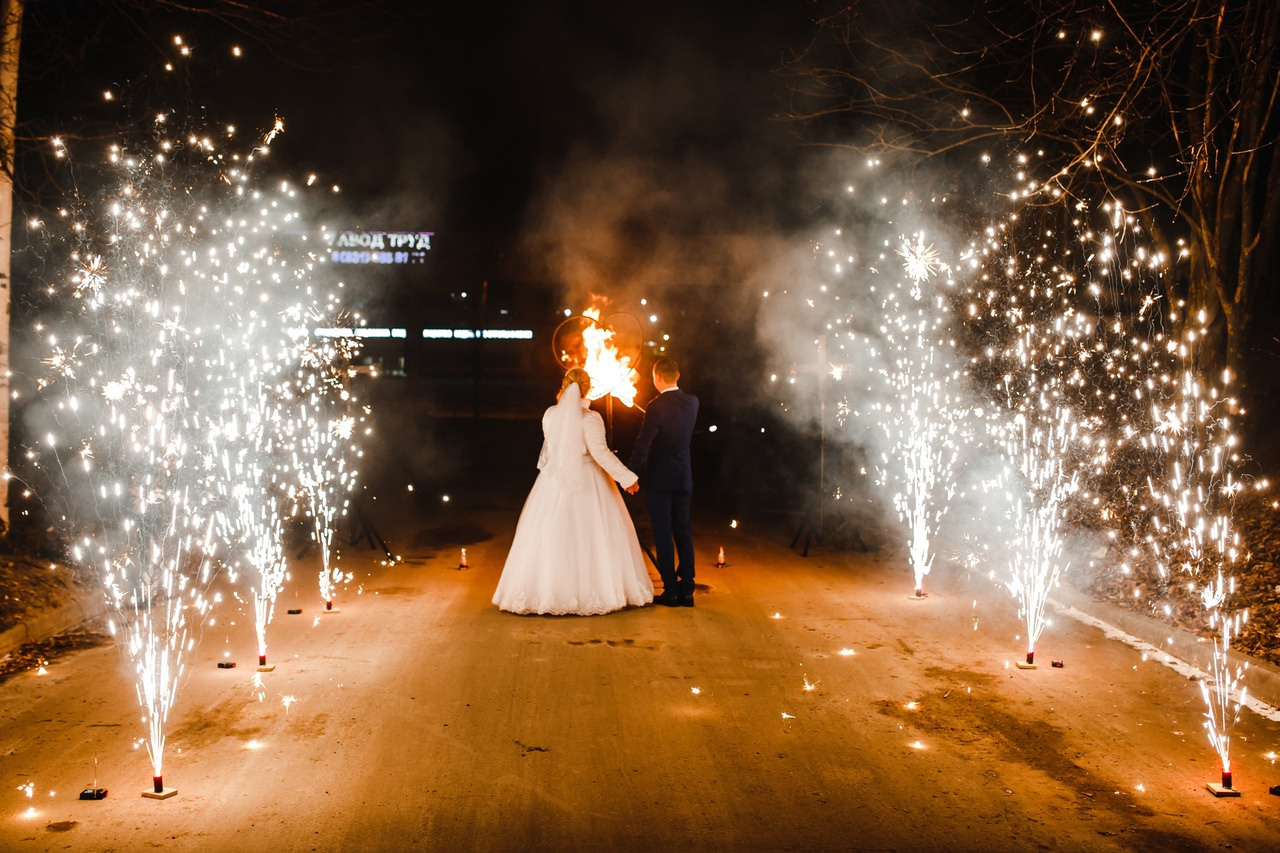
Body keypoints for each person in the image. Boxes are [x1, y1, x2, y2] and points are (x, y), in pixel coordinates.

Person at [493, 367, 653, 615]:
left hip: (553, 482)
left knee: (552, 535)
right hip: (587, 482)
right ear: (588, 388)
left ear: (564, 386)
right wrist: (627, 478)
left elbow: (555, 449)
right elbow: (600, 454)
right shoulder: (590, 418)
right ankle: (589, 591)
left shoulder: (549, 415)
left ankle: (550, 591)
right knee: (592, 535)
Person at [629, 357, 699, 607]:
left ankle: (671, 588)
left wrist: (631, 475)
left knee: (662, 532)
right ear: (678, 375)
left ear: (657, 378)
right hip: (683, 477)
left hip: (660, 480)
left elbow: (643, 444)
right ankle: (688, 589)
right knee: (683, 529)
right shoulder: (693, 402)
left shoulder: (655, 407)